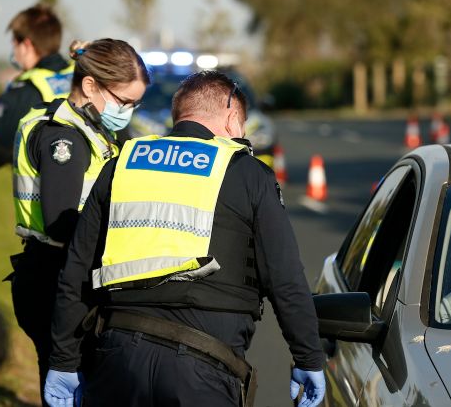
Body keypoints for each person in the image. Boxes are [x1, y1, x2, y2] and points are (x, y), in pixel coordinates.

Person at [44, 70, 325, 407]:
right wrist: (308, 358)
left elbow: (75, 272)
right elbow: (285, 279)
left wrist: (63, 360)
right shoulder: (248, 174)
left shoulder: (121, 167)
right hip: (204, 367)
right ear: (233, 116)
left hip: (117, 358)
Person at [9, 38, 149, 406]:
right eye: (125, 102)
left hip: (63, 275)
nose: (129, 112)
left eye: (136, 103)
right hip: (57, 280)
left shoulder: (90, 127)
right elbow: (62, 223)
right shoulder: (64, 140)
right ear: (90, 86)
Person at [0, 4, 73, 168]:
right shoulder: (83, 75)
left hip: (45, 189)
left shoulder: (24, 91)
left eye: (15, 43)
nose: (14, 51)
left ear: (27, 45)